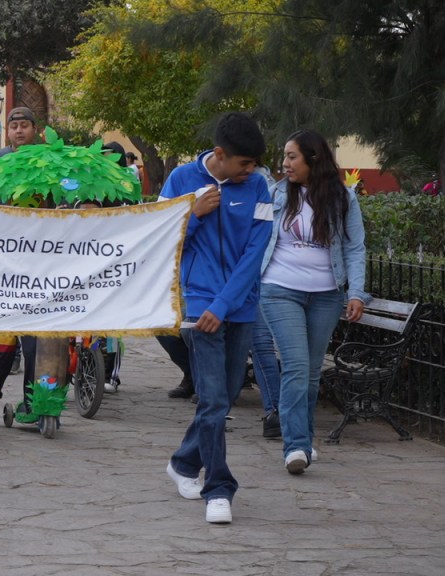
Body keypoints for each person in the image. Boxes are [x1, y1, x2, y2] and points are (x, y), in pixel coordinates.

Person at [162, 112, 272, 524]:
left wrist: (223, 306)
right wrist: (193, 214)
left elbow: (254, 254)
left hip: (238, 306)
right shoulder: (180, 180)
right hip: (197, 303)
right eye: (245, 163)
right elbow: (159, 239)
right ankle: (219, 488)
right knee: (214, 401)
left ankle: (183, 463)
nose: (252, 171)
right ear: (221, 155)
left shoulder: (258, 187)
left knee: (221, 396)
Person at [260, 129, 368, 474]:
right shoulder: (275, 194)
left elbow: (354, 248)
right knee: (295, 366)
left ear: (313, 159)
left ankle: (302, 440)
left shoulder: (343, 198)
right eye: (285, 157)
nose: (285, 163)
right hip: (278, 289)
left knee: (309, 372)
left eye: (292, 157)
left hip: (327, 294)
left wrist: (355, 292)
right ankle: (295, 447)